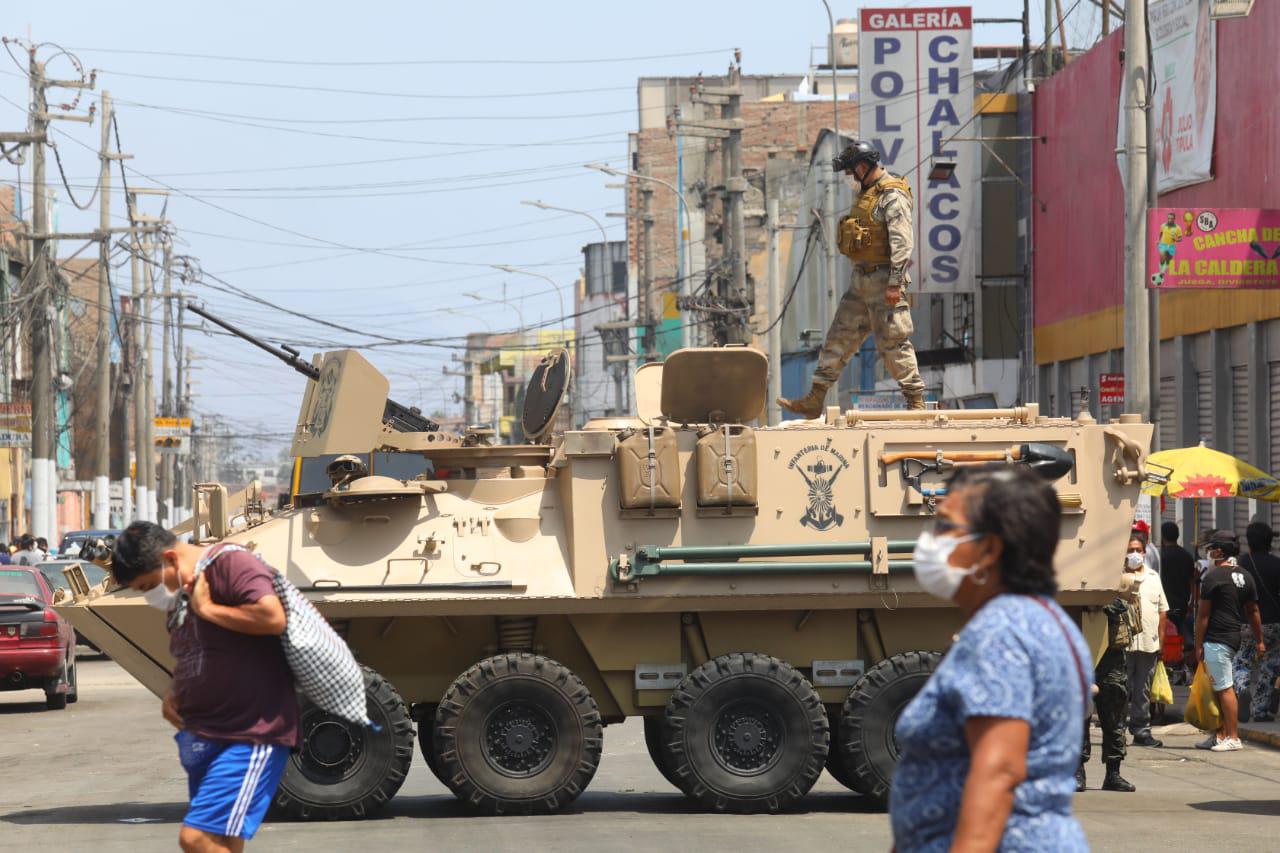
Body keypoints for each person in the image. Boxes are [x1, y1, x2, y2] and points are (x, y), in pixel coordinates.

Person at [890, 465, 1089, 851]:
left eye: (945, 527)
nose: (931, 541)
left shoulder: (1000, 631)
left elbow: (998, 770)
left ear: (989, 550)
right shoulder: (1043, 618)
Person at [110, 521, 297, 852]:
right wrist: (175, 693)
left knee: (194, 838)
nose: (149, 594)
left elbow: (272, 617)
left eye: (148, 585)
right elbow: (197, 653)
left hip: (251, 732)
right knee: (224, 840)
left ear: (170, 558)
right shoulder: (181, 595)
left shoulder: (230, 564)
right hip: (208, 736)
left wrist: (208, 608)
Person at [777, 140, 925, 417]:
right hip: (861, 282)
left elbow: (903, 243)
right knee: (838, 338)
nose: (848, 179)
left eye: (849, 172)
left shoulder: (891, 196)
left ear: (862, 167)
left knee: (893, 342)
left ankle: (915, 400)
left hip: (884, 282)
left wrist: (894, 283)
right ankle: (814, 399)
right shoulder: (868, 194)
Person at [1078, 546, 1141, 793]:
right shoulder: (1078, 589)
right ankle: (1078, 771)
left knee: (1114, 720)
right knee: (1080, 719)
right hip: (1083, 661)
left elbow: (1120, 606)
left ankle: (1113, 773)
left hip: (1112, 663)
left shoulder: (1115, 590)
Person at [1195, 529, 1265, 751]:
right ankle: (1220, 734)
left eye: (1211, 548)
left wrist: (1197, 644)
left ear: (1219, 551)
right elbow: (1253, 611)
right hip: (1235, 635)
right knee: (1220, 686)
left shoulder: (1213, 577)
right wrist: (1259, 640)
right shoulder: (1245, 575)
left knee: (1224, 688)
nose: (1209, 552)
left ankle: (1233, 737)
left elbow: (1203, 615)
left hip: (1216, 637)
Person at [1233, 522, 1280, 722]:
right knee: (1269, 665)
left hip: (1245, 621)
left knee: (1242, 660)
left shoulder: (1240, 565)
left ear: (1249, 541)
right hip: (1273, 622)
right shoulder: (1277, 564)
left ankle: (1242, 688)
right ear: (1270, 542)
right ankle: (1260, 710)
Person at [1126, 537, 1170, 746]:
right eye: (1130, 550)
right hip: (1123, 644)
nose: (1134, 554)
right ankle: (1116, 730)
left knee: (1142, 689)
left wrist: (1161, 642)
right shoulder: (1119, 577)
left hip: (1148, 643)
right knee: (1120, 688)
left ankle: (1141, 729)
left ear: (1144, 552)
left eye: (1137, 550)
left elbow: (1162, 612)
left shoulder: (1153, 577)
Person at [1160, 521, 1195, 656]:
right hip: (1182, 603)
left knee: (1167, 636)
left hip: (1164, 604)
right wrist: (1191, 601)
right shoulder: (1187, 555)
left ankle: (1169, 658)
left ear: (1162, 536)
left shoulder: (1160, 556)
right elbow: (1191, 580)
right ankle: (1178, 659)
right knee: (1180, 635)